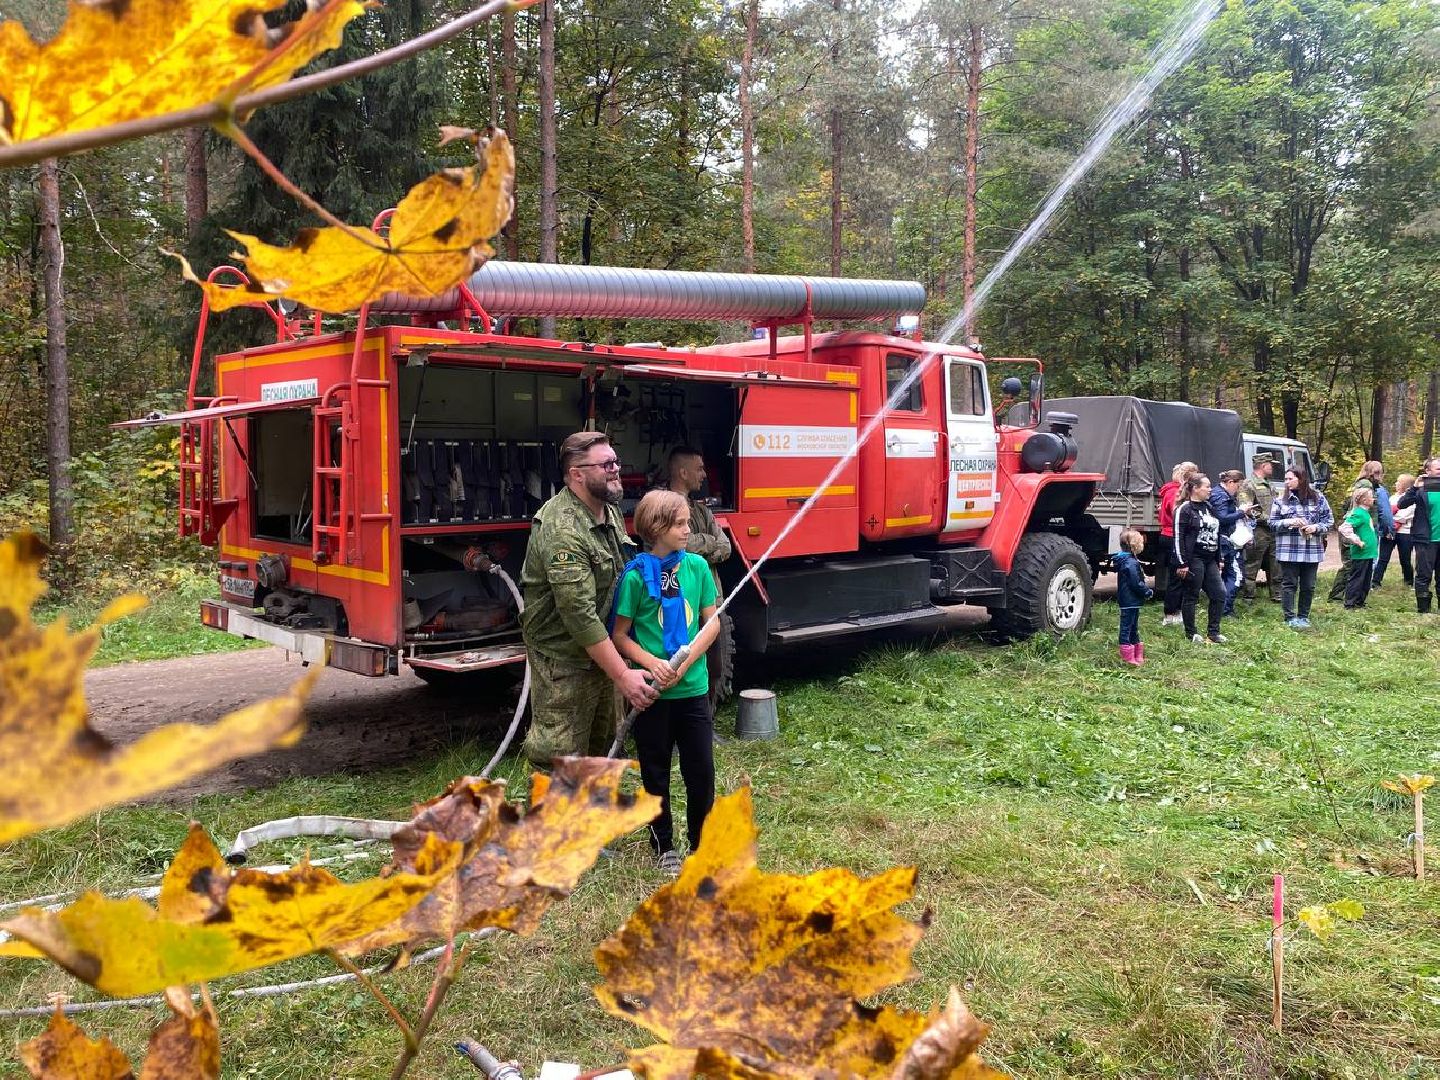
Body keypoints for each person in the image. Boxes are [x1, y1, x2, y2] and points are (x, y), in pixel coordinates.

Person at [520, 431, 658, 766]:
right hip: (564, 658)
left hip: (602, 652)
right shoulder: (562, 529)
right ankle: (552, 819)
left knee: (603, 750)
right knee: (558, 757)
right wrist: (623, 675)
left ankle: (592, 816)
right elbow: (579, 616)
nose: (615, 470)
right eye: (606, 464)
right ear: (577, 474)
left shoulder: (606, 510)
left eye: (616, 461)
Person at [610, 490, 718, 876]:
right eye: (680, 523)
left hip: (693, 691)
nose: (689, 529)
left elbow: (713, 622)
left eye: (687, 522)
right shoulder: (636, 578)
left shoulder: (697, 569)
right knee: (655, 770)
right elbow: (620, 635)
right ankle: (663, 845)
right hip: (654, 695)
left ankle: (702, 844)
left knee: (700, 770)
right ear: (656, 528)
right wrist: (653, 663)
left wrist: (686, 659)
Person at [1268, 465, 1334, 629]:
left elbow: (1329, 521)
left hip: (1311, 550)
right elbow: (1272, 523)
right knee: (1289, 584)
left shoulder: (1318, 498)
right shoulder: (1280, 500)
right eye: (1286, 479)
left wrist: (1315, 528)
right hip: (1289, 550)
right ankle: (1289, 617)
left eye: (1290, 478)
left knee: (1309, 585)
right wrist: (1289, 522)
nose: (1287, 482)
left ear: (1301, 479)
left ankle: (1303, 616)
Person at [1175, 473, 1226, 644]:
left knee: (1219, 594)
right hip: (1194, 558)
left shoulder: (1209, 507)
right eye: (1207, 486)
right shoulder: (1185, 509)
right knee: (1191, 595)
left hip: (1210, 558)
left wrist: (1220, 558)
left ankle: (1213, 632)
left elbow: (1217, 534)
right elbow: (1178, 537)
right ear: (1195, 489)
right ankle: (1192, 633)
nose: (1210, 489)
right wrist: (1182, 563)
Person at [1327, 460, 1385, 602]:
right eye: (1379, 472)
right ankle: (1338, 596)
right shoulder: (1365, 486)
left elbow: (1344, 506)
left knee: (1351, 565)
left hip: (1355, 524)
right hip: (1355, 527)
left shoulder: (1356, 483)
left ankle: (1346, 595)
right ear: (1374, 473)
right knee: (1351, 565)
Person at [1395, 456, 1440, 613]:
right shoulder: (1421, 490)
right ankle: (1424, 609)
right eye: (1438, 469)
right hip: (1426, 540)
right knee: (1423, 575)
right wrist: (1414, 487)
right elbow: (1401, 504)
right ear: (1428, 471)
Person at [1158, 461, 1197, 627]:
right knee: (1176, 578)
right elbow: (1176, 516)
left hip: (1169, 536)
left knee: (1179, 577)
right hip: (1172, 537)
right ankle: (1170, 613)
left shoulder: (1170, 490)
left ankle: (1177, 611)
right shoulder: (1174, 492)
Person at [1238, 453, 1281, 601]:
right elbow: (1247, 508)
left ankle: (1277, 594)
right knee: (1252, 563)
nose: (1273, 467)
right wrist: (1267, 519)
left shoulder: (1270, 484)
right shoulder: (1248, 484)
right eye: (1271, 464)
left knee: (1276, 563)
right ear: (1263, 465)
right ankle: (1248, 596)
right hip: (1258, 530)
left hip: (1274, 531)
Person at [1209, 470, 1248, 617]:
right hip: (1225, 540)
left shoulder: (1217, 493)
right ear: (1231, 483)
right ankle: (1225, 609)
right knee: (1235, 575)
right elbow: (1223, 517)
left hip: (1221, 539)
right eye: (1238, 486)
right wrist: (1241, 512)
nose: (1238, 490)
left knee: (1225, 575)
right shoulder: (1221, 496)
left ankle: (1222, 607)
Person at [1111, 528, 1153, 666]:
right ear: (1134, 545)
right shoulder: (1130, 563)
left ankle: (1135, 653)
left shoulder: (1128, 560)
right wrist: (1147, 591)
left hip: (1130, 600)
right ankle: (1127, 654)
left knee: (1132, 626)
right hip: (1130, 599)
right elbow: (1136, 583)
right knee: (1127, 627)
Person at [1337, 487, 1378, 609]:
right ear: (1363, 500)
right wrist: (1357, 540)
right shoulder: (1358, 513)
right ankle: (1350, 603)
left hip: (1368, 552)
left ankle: (1359, 602)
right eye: (1371, 496)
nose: (1373, 499)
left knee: (1366, 579)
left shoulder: (1364, 513)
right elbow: (1344, 528)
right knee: (1357, 578)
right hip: (1361, 552)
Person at [1374, 473, 1415, 588]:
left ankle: (1409, 581)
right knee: (1383, 557)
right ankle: (1376, 581)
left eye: (1398, 482)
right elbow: (1385, 513)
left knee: (1405, 559)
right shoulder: (1392, 498)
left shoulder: (1411, 499)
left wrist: (1390, 518)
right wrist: (1389, 522)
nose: (1396, 484)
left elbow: (1404, 516)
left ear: (1405, 486)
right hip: (1389, 531)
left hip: (1405, 533)